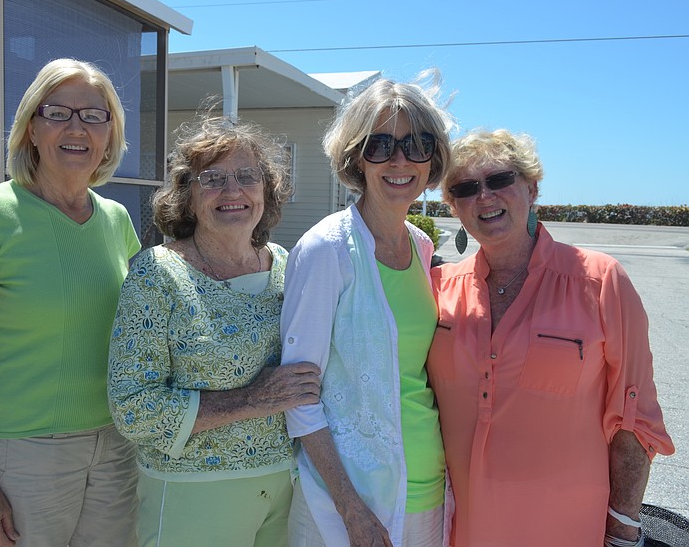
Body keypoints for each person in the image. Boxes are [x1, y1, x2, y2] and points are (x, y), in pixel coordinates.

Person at [428, 129, 675, 547]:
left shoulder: (600, 281)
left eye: (499, 179)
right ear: (453, 206)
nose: (484, 196)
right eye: (465, 188)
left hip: (567, 527)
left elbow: (634, 417)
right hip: (456, 528)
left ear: (532, 188)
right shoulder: (436, 289)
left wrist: (623, 529)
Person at [0, 58, 141, 547]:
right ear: (31, 128)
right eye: (57, 113)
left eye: (93, 115)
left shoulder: (117, 220)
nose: (76, 128)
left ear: (110, 134)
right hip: (27, 452)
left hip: (118, 445)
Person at [108, 109, 321, 547]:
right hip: (193, 496)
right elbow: (133, 408)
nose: (233, 190)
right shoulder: (157, 274)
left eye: (247, 176)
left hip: (288, 488)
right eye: (213, 179)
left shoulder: (288, 266)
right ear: (187, 196)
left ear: (267, 190)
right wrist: (253, 399)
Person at [280, 74, 454, 547]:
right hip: (347, 504)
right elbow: (298, 396)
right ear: (356, 157)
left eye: (416, 144)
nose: (400, 160)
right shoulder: (326, 249)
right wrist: (350, 509)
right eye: (380, 145)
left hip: (428, 493)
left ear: (433, 158)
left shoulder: (420, 247)